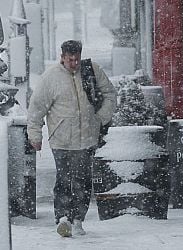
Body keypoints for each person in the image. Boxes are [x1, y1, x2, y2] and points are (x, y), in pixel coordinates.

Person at [27, 40, 117, 237]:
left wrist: (100, 118)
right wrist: (34, 134)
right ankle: (62, 218)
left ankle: (78, 219)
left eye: (77, 59)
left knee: (83, 180)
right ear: (62, 57)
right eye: (70, 60)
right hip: (61, 139)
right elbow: (36, 108)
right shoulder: (50, 78)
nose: (74, 63)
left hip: (87, 137)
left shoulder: (92, 70)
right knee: (64, 179)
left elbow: (110, 94)